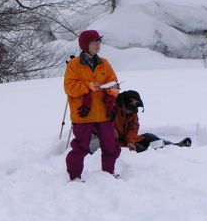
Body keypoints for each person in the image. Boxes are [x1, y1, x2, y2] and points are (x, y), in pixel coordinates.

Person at [64, 29, 121, 181]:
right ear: (85, 45)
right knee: (81, 147)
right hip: (83, 114)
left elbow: (113, 83)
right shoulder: (74, 65)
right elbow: (69, 87)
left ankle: (108, 174)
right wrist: (87, 86)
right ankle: (74, 176)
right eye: (93, 42)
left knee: (110, 146)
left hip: (104, 112)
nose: (97, 45)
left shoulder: (104, 63)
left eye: (98, 42)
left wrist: (113, 91)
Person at [113, 90, 192, 152]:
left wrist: (130, 141)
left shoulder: (132, 112)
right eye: (128, 108)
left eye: (132, 109)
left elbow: (133, 128)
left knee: (149, 137)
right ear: (122, 102)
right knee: (141, 148)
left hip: (127, 141)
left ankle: (172, 147)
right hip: (116, 144)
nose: (129, 111)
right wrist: (127, 144)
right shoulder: (112, 108)